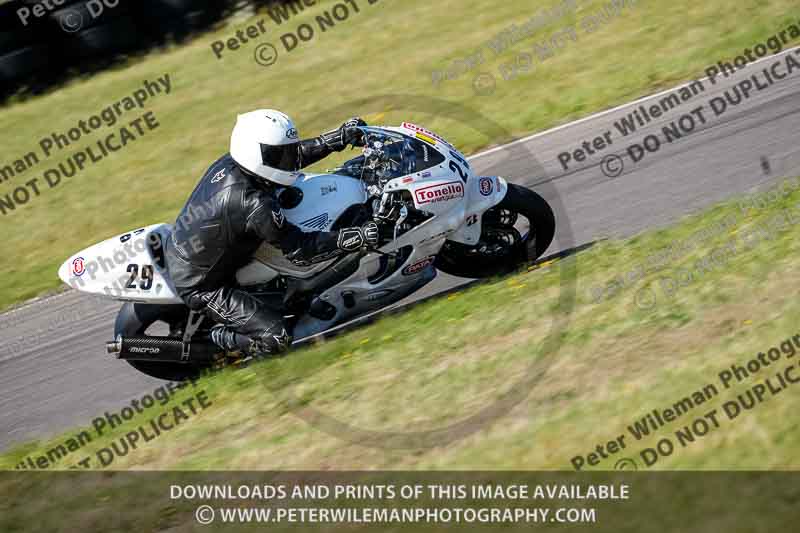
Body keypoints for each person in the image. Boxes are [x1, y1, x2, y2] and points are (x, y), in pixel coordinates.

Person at [164, 109, 378, 358]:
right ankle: (215, 342)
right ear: (257, 155)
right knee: (277, 338)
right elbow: (301, 250)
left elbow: (290, 159)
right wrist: (355, 237)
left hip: (198, 247)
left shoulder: (236, 162)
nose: (289, 158)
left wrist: (335, 139)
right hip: (201, 284)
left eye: (286, 151)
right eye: (281, 154)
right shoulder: (253, 204)